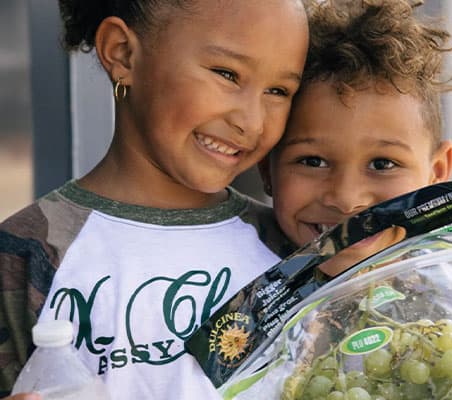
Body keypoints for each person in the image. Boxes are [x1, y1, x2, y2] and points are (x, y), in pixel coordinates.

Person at [0, 0, 308, 399]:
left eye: (278, 91)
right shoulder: (23, 254)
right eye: (227, 74)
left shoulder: (293, 249)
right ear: (123, 53)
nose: (251, 121)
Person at [259, 0, 452, 275]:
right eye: (313, 162)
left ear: (436, 174)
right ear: (267, 168)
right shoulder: (229, 280)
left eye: (382, 164)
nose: (346, 199)